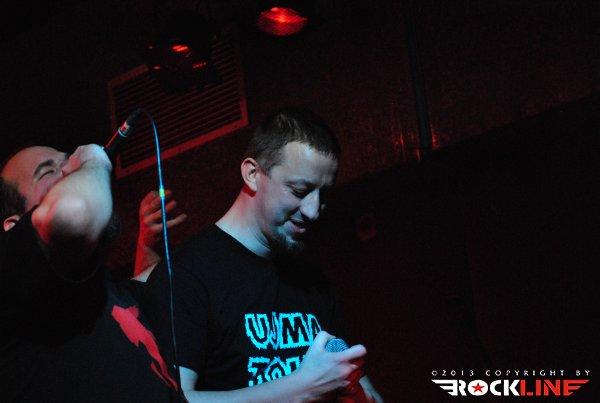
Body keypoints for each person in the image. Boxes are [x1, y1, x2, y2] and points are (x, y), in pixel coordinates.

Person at [141, 108, 383, 401]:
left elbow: (362, 386)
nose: (313, 210)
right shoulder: (187, 274)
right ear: (252, 174)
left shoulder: (311, 280)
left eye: (323, 195)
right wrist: (301, 389)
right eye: (299, 190)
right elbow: (172, 399)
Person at [0, 144, 181, 401]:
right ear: (13, 226)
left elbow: (142, 291)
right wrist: (95, 161)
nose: (69, 169)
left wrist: (146, 245)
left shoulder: (97, 289)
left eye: (68, 160)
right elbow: (74, 211)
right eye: (47, 172)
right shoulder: (13, 275)